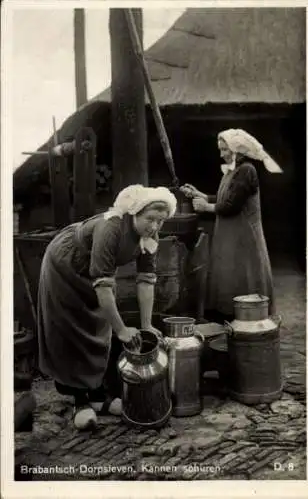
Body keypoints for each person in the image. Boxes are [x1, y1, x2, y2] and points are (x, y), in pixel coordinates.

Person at [37, 184, 177, 430]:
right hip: (66, 264)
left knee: (100, 329)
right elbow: (102, 286)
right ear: (135, 212)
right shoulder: (111, 227)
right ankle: (81, 402)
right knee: (75, 330)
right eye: (150, 219)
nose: (155, 226)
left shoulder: (150, 238)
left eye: (161, 221)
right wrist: (122, 329)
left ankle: (99, 396)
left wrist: (146, 325)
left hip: (95, 273)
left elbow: (146, 281)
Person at [180, 128, 282, 323]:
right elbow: (224, 198)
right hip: (230, 235)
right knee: (230, 274)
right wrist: (200, 195)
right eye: (220, 149)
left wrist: (206, 207)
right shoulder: (233, 171)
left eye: (225, 149)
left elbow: (230, 206)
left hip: (243, 236)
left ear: (237, 149)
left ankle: (246, 317)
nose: (221, 154)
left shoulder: (246, 170)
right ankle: (230, 318)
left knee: (243, 273)